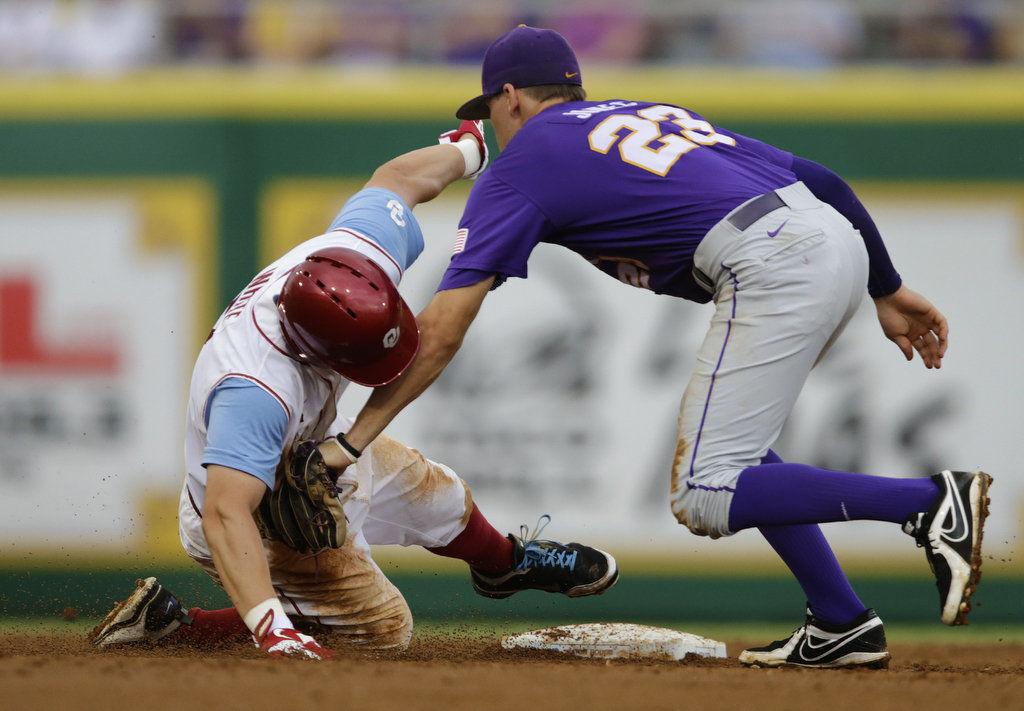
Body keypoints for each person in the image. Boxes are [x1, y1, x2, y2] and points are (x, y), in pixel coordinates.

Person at [319, 26, 992, 669]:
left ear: (513, 98)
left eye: (492, 108)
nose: (495, 122)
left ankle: (929, 504)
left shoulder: (524, 160)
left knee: (704, 492)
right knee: (738, 448)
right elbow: (823, 179)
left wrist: (353, 439)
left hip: (772, 260)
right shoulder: (647, 114)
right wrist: (887, 286)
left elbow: (443, 325)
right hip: (823, 239)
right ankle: (841, 619)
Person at [89, 120, 618, 660]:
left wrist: (466, 151)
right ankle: (179, 629)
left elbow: (398, 179)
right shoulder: (255, 387)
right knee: (382, 632)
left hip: (307, 450)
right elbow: (226, 514)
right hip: (250, 515)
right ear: (315, 349)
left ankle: (504, 565)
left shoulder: (355, 254)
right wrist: (272, 628)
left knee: (440, 494)